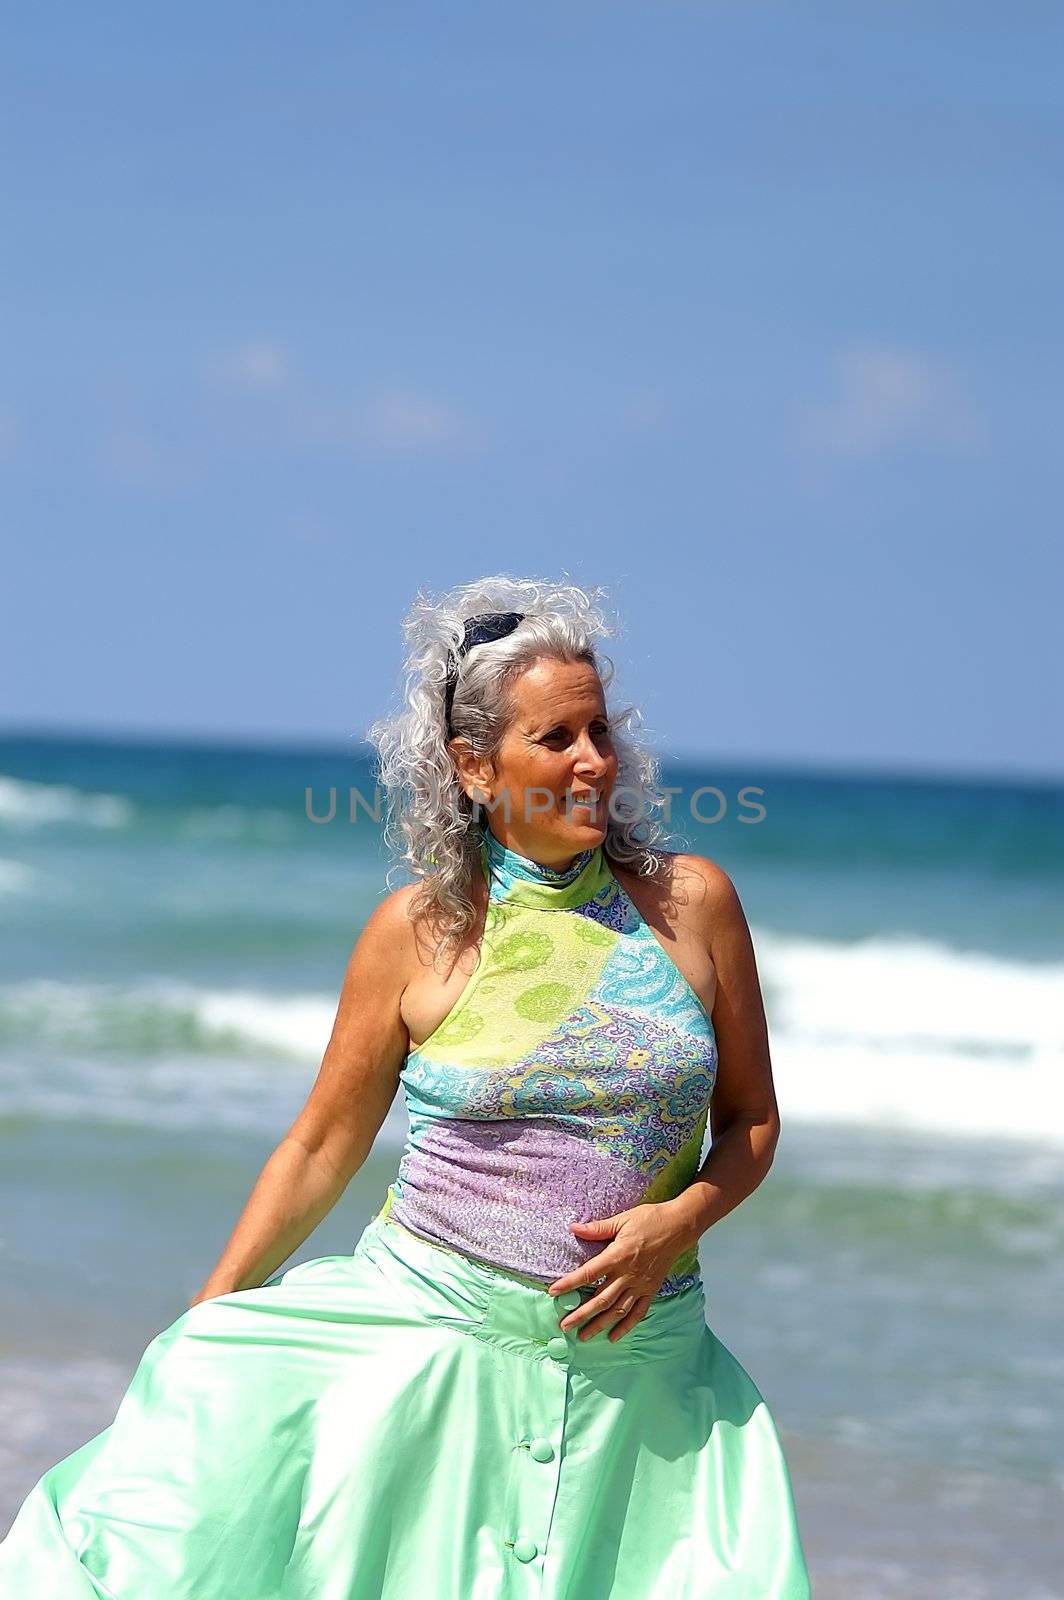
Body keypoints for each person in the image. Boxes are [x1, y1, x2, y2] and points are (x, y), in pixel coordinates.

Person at [0, 574, 812, 1598]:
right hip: (429, 1354)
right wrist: (206, 1316)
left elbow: (751, 1120)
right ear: (475, 768)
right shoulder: (417, 935)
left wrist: (677, 1222)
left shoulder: (692, 905)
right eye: (555, 738)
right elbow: (319, 1146)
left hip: (644, 1379)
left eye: (599, 729)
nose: (593, 761)